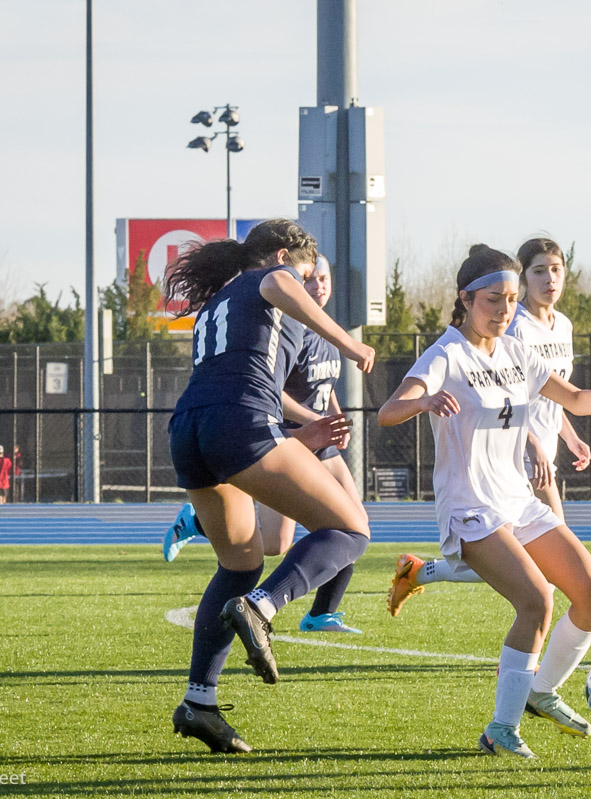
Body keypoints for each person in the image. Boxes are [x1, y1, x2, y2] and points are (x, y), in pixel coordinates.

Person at [378, 244, 591, 759]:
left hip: (517, 502)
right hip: (470, 509)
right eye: (492, 301)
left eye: (509, 299)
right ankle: (499, 730)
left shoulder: (516, 352)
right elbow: (388, 413)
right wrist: (426, 400)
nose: (504, 311)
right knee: (536, 600)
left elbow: (574, 401)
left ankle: (541, 692)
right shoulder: (446, 354)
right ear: (465, 299)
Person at [164, 219, 374, 755]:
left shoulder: (219, 303)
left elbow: (256, 379)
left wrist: (305, 426)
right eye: (307, 273)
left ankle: (199, 704)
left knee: (239, 563)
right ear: (282, 256)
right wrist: (347, 342)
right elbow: (281, 283)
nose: (305, 283)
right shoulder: (273, 280)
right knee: (351, 528)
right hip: (237, 424)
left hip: (189, 429)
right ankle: (263, 607)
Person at [163, 255, 366, 634]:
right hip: (282, 434)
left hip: (322, 440)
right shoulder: (288, 322)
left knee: (351, 524)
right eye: (310, 278)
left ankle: (321, 613)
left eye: (324, 278)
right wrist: (309, 420)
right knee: (277, 543)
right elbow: (273, 389)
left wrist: (334, 415)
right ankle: (203, 528)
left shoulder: (323, 332)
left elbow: (326, 386)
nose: (318, 285)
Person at [388, 237, 591, 616]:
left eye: (556, 269)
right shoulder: (510, 332)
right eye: (539, 270)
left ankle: (421, 572)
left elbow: (557, 395)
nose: (550, 279)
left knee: (543, 577)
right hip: (508, 463)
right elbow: (502, 399)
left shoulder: (562, 326)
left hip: (534, 458)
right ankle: (522, 657)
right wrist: (531, 442)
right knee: (536, 582)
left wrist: (570, 435)